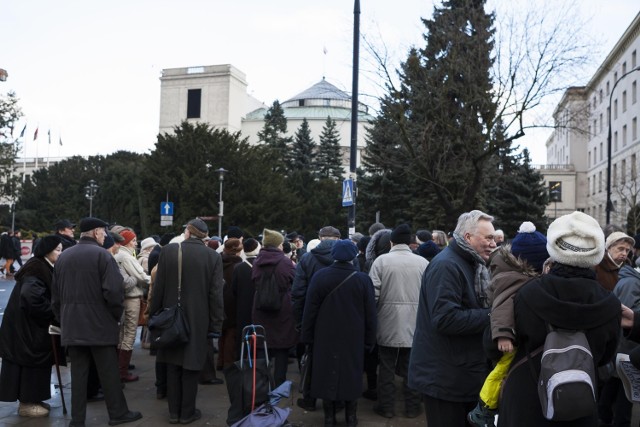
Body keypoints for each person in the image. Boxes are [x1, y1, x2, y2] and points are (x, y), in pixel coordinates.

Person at [498, 211, 621, 426]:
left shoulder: (528, 293)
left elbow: (500, 343)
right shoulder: (610, 303)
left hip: (527, 398)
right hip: (577, 398)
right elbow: (604, 357)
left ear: (554, 248)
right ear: (597, 252)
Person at [408, 210, 496, 427]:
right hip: (445, 379)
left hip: (459, 374)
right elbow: (445, 319)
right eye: (488, 238)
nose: (494, 244)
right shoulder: (447, 265)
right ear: (468, 237)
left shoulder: (469, 262)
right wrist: (493, 315)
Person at [52, 217, 142, 426]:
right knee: (108, 373)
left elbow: (55, 297)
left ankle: (77, 420)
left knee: (78, 375)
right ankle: (118, 413)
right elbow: (113, 292)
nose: (105, 236)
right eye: (103, 232)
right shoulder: (102, 256)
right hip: (100, 326)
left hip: (73, 327)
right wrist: (114, 316)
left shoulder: (64, 257)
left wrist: (64, 319)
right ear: (95, 232)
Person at [466, 225, 546, 427]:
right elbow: (501, 307)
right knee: (501, 370)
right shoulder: (514, 280)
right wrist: (503, 335)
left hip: (516, 342)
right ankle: (484, 408)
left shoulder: (514, 275)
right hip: (509, 340)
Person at [149, 218, 223, 424]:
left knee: (172, 364)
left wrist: (154, 315)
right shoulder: (212, 257)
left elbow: (158, 289)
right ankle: (187, 413)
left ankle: (173, 412)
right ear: (204, 237)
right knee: (191, 365)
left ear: (188, 233)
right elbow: (216, 295)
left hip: (170, 317)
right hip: (198, 319)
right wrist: (216, 325)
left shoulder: (169, 251)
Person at [301, 239, 377, 427]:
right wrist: (369, 340)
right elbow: (370, 314)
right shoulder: (362, 279)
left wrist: (307, 337)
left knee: (326, 373)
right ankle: (351, 417)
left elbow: (309, 310)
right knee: (351, 374)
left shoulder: (320, 277)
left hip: (324, 334)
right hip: (354, 336)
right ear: (353, 256)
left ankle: (329, 417)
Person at [369, 224, 428, 419]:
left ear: (392, 241)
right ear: (410, 241)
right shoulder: (423, 263)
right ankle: (412, 407)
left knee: (385, 367)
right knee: (411, 367)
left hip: (387, 322)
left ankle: (386, 407)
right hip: (415, 324)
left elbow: (373, 295)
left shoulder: (381, 262)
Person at [0, 235, 62, 417]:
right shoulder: (36, 268)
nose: (60, 253)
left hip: (26, 328)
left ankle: (33, 399)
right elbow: (31, 298)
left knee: (33, 364)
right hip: (27, 330)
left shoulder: (40, 266)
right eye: (57, 250)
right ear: (46, 251)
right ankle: (27, 403)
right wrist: (52, 312)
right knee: (29, 364)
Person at [291, 225, 342, 410]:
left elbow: (297, 293)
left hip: (313, 317)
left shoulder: (307, 259)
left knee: (311, 358)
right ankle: (338, 401)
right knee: (338, 359)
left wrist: (299, 321)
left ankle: (310, 398)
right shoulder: (347, 258)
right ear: (338, 238)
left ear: (320, 238)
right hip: (341, 319)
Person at [252, 228, 297, 388]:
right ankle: (280, 382)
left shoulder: (257, 261)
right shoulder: (285, 262)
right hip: (282, 309)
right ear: (278, 244)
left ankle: (263, 382)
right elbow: (295, 282)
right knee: (282, 348)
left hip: (261, 308)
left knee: (263, 347)